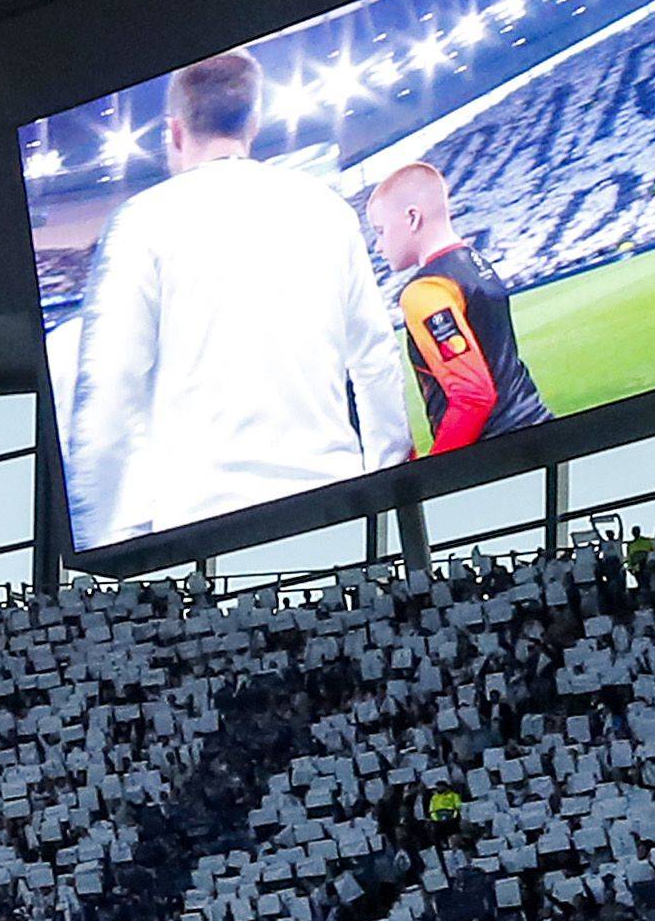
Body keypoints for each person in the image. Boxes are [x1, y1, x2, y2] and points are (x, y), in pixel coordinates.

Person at [52, 43, 408, 547]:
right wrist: (384, 487)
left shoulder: (141, 224)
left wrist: (108, 545)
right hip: (332, 503)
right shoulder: (327, 210)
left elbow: (111, 387)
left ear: (175, 131)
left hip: (200, 523)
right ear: (253, 124)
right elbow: (375, 361)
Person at [366, 158, 553, 458]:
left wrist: (435, 472)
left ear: (412, 218)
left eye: (380, 230)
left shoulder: (424, 290)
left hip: (498, 456)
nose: (378, 246)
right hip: (539, 428)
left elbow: (473, 396)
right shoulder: (477, 263)